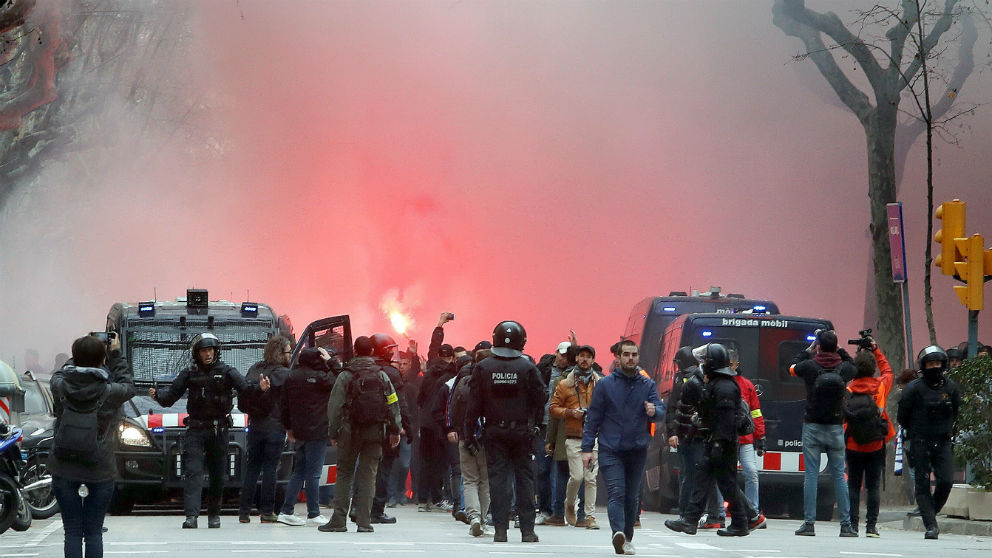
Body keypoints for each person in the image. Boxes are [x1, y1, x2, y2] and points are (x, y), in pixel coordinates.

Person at [150, 332, 270, 528]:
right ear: (197, 353)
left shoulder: (227, 371)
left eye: (211, 350)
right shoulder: (188, 373)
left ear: (216, 352)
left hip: (219, 429)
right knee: (193, 472)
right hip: (195, 429)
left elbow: (246, 388)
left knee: (217, 474)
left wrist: (261, 388)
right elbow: (170, 397)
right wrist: (157, 396)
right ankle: (191, 516)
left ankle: (214, 515)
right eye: (204, 351)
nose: (208, 354)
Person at [49, 334, 135, 558]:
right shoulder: (110, 391)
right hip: (99, 465)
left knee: (73, 531)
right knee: (94, 532)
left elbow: (59, 373)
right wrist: (115, 354)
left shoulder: (60, 385)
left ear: (75, 359)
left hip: (63, 464)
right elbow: (128, 385)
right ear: (102, 359)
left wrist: (77, 356)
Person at [466, 320, 546, 543]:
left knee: (498, 482)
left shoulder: (483, 367)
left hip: (494, 432)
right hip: (522, 432)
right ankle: (527, 532)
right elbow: (542, 397)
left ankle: (500, 531)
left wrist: (469, 433)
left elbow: (473, 404)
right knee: (525, 481)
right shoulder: (528, 367)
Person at [582, 339, 663, 555]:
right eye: (626, 354)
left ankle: (627, 537)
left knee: (631, 496)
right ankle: (617, 533)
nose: (630, 359)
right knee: (617, 492)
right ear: (618, 358)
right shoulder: (606, 385)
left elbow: (662, 410)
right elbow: (593, 418)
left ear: (638, 357)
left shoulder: (647, 385)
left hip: (637, 450)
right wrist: (587, 449)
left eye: (634, 355)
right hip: (610, 449)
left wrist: (654, 410)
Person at [664, 343, 751, 539]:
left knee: (727, 484)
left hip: (723, 443)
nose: (702, 363)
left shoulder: (725, 387)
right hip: (716, 441)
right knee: (703, 479)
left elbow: (727, 420)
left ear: (712, 362)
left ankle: (741, 521)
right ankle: (690, 521)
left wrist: (719, 444)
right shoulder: (718, 383)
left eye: (705, 360)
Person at [320, 336, 402, 533]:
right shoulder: (382, 375)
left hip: (349, 431)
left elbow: (335, 406)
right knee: (368, 475)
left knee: (345, 473)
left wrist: (333, 431)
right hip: (375, 432)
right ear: (372, 352)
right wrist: (395, 429)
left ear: (355, 351)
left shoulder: (346, 375)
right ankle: (364, 522)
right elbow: (393, 402)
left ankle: (339, 521)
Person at [788, 330, 857, 537]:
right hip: (835, 426)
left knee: (811, 474)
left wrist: (807, 351)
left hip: (812, 425)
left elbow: (791, 368)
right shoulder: (844, 368)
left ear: (818, 346)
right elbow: (853, 365)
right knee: (838, 475)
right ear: (835, 346)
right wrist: (841, 351)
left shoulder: (809, 366)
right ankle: (846, 525)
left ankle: (809, 523)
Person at [897, 345, 961, 540]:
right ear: (923, 366)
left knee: (946, 480)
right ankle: (931, 525)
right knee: (922, 484)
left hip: (942, 441)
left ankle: (931, 510)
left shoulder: (951, 387)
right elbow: (902, 416)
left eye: (937, 363)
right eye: (930, 363)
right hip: (920, 441)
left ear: (943, 365)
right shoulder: (913, 388)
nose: (934, 367)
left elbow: (956, 412)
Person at [276, 346, 337, 526]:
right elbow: (340, 379)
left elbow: (284, 405)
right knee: (314, 473)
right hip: (318, 430)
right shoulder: (321, 377)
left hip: (299, 431)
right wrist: (330, 362)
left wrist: (289, 427)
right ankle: (313, 513)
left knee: (299, 471)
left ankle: (286, 510)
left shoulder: (291, 377)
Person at [238, 335, 292, 523]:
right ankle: (267, 512)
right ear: (280, 353)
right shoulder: (284, 374)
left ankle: (244, 512)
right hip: (275, 427)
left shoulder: (255, 369)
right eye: (288, 351)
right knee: (270, 469)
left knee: (252, 469)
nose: (290, 355)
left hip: (255, 426)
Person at [844, 338, 895, 537]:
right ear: (873, 368)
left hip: (853, 444)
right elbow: (888, 371)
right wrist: (876, 349)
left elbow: (844, 418)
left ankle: (853, 525)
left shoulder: (848, 389)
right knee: (873, 486)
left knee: (854, 486)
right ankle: (871, 527)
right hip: (876, 443)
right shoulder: (880, 386)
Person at [549, 344, 601, 529]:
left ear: (593, 360)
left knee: (591, 478)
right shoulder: (565, 383)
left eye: (588, 356)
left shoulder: (600, 383)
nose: (584, 359)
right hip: (573, 436)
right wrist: (571, 412)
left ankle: (590, 516)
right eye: (581, 356)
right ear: (576, 359)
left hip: (593, 437)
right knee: (577, 476)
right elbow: (553, 408)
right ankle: (569, 503)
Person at [447, 346, 493, 536]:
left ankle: (473, 516)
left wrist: (456, 429)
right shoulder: (492, 382)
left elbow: (452, 407)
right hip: (487, 439)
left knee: (470, 480)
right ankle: (482, 519)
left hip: (466, 437)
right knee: (485, 481)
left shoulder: (464, 381)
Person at [369, 332, 411, 523]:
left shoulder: (360, 369)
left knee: (364, 470)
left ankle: (357, 508)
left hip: (362, 429)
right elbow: (399, 405)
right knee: (384, 470)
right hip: (385, 431)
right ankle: (377, 511)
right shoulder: (392, 374)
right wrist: (404, 428)